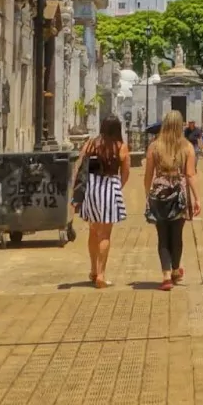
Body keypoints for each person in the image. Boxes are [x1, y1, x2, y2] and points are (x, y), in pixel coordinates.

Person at [143, 111, 201, 290]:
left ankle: (166, 275)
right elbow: (190, 174)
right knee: (177, 235)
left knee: (162, 235)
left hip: (159, 192)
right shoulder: (187, 147)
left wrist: (148, 195)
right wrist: (197, 198)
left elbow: (148, 174)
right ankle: (176, 269)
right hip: (179, 194)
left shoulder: (154, 146)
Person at [73, 116, 129, 288]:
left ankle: (93, 270)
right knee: (105, 234)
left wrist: (76, 190)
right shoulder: (121, 147)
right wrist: (118, 186)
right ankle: (101, 275)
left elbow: (79, 165)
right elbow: (125, 172)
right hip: (109, 188)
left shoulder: (91, 143)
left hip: (91, 189)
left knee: (93, 231)